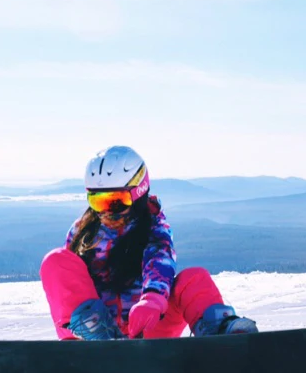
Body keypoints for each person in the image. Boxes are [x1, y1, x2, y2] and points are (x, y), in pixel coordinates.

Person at [39, 145, 258, 341]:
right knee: (56, 261)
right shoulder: (82, 231)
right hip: (91, 335)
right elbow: (69, 286)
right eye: (98, 201)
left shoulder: (153, 226)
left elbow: (159, 261)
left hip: (146, 327)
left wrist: (152, 300)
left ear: (138, 194)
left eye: (116, 202)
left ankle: (221, 334)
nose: (106, 212)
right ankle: (99, 341)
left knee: (194, 278)